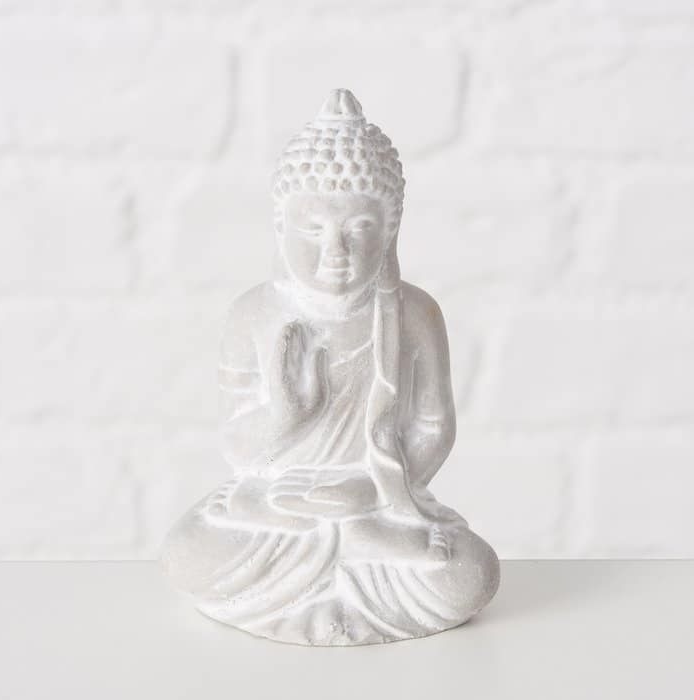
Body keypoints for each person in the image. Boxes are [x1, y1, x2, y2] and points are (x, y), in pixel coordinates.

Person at [161, 89, 499, 645]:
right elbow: (240, 447)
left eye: (359, 229)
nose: (335, 251)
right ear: (281, 226)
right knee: (187, 553)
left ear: (390, 231)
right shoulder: (253, 315)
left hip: (377, 503)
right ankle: (353, 551)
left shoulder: (414, 314)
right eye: (313, 230)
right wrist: (287, 416)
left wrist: (373, 491)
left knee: (470, 575)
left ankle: (354, 547)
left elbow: (432, 427)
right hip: (278, 506)